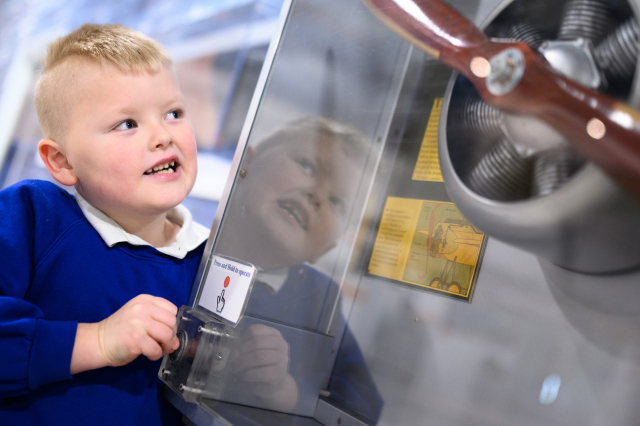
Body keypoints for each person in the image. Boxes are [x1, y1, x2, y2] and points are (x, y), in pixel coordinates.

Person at [0, 24, 210, 425]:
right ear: (61, 162)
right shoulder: (32, 217)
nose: (163, 135)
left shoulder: (212, 263)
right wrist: (99, 339)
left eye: (174, 113)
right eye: (127, 124)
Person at [212, 117, 383, 421]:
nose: (316, 196)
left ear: (327, 249)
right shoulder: (181, 248)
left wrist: (287, 392)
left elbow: (363, 407)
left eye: (337, 202)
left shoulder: (321, 300)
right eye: (307, 166)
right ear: (247, 163)